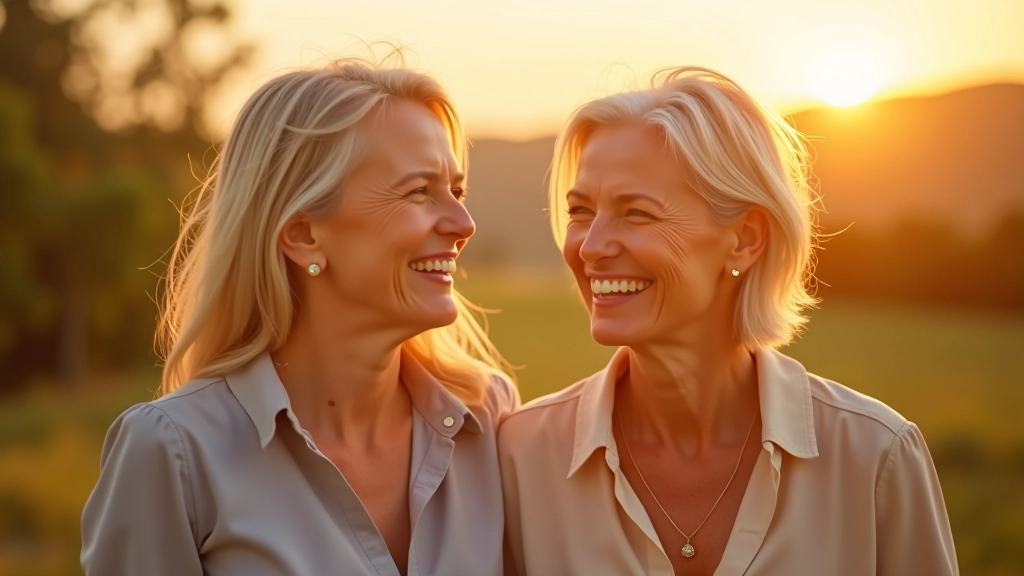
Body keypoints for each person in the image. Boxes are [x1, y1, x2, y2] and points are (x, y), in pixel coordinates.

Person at [498, 67, 957, 575]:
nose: (590, 246)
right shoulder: (522, 457)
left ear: (744, 239)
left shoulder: (875, 456)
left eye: (637, 213)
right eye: (581, 212)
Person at [81, 59, 518, 576]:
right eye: (419, 191)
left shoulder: (488, 419)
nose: (463, 224)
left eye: (457, 192)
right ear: (304, 235)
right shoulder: (173, 452)